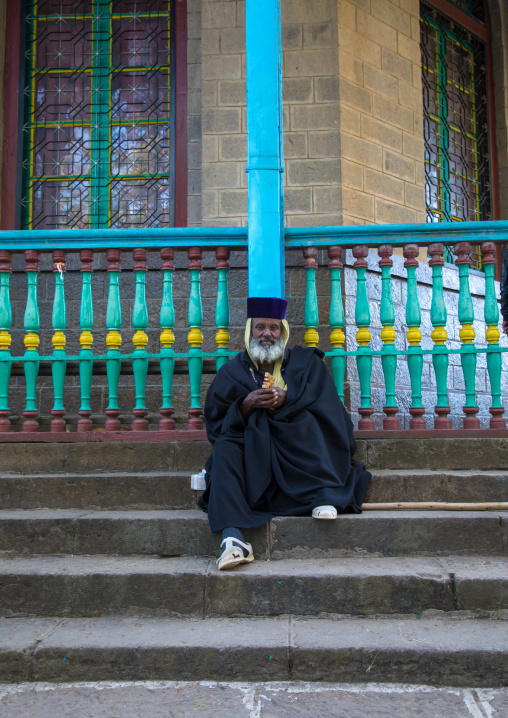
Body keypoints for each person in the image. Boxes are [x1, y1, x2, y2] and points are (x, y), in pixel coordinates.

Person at [198, 297, 371, 570]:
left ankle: (322, 495)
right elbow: (217, 423)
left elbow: (330, 410)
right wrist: (245, 405)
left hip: (299, 454)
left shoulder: (306, 364)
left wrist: (288, 399)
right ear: (249, 332)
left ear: (283, 332)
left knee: (306, 419)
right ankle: (233, 538)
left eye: (274, 328)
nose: (267, 334)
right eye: (260, 328)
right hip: (255, 459)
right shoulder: (232, 373)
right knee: (225, 448)